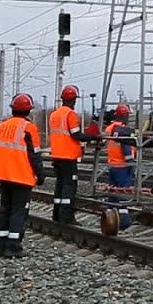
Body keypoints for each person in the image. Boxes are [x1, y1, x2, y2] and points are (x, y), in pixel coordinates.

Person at [0, 93, 44, 258]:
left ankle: (1, 244)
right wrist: (40, 175)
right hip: (21, 176)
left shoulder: (1, 126)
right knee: (19, 211)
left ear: (12, 109)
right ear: (29, 110)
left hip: (3, 175)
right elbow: (35, 154)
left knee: (5, 210)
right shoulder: (28, 128)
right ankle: (13, 246)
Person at [48, 84, 98, 225]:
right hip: (68, 157)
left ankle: (56, 215)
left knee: (60, 186)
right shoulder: (70, 114)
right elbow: (76, 134)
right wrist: (92, 137)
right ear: (74, 100)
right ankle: (67, 217)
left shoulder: (54, 115)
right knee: (69, 187)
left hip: (56, 156)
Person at [105, 103, 137, 230]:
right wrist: (131, 163)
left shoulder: (110, 128)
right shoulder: (123, 130)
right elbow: (126, 147)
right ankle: (123, 221)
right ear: (124, 116)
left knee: (113, 193)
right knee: (124, 194)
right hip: (123, 166)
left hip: (112, 164)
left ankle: (110, 217)